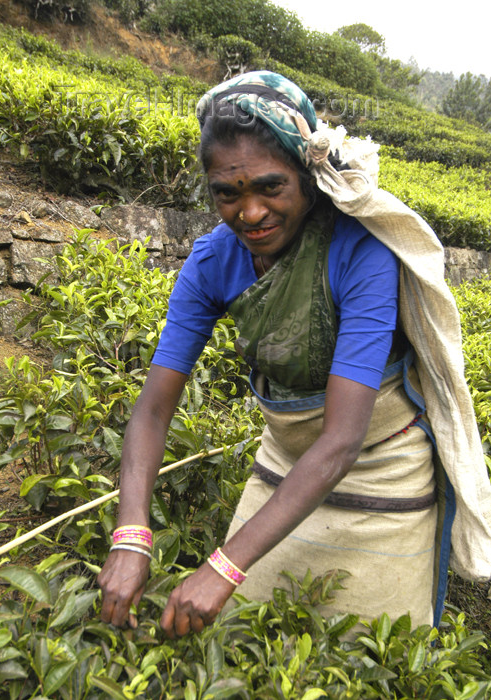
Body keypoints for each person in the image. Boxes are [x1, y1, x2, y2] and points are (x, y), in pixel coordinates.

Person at [98, 71, 491, 639]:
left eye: (270, 187)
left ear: (308, 179)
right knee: (244, 640)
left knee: (373, 655)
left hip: (383, 472)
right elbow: (155, 408)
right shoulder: (213, 261)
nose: (250, 213)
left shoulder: (360, 252)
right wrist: (130, 534)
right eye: (227, 194)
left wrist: (223, 565)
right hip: (285, 468)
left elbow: (342, 438)